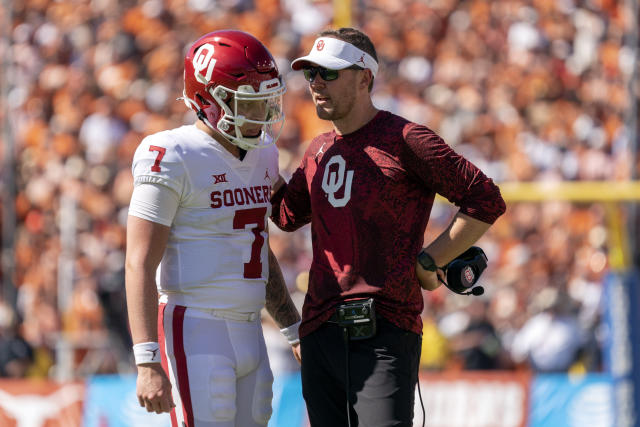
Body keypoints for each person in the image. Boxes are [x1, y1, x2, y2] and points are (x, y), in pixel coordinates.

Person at [270, 27, 506, 426]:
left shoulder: (406, 139)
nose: (316, 84)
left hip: (383, 330)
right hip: (320, 333)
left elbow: (484, 198)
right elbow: (285, 216)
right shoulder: (318, 149)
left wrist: (430, 259)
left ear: (365, 77)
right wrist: (255, 154)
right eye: (311, 74)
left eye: (328, 73)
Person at [125, 30, 301, 427]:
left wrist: (293, 327)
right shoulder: (172, 153)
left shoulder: (265, 154)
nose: (261, 115)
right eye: (247, 103)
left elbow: (256, 246)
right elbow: (138, 261)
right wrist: (146, 359)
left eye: (265, 102)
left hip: (251, 326)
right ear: (209, 99)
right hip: (196, 324)